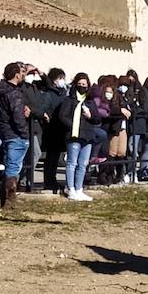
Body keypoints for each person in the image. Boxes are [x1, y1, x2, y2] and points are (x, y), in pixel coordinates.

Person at [0, 62, 30, 207]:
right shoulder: (14, 94)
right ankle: (9, 200)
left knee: (9, 164)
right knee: (13, 167)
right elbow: (17, 117)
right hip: (15, 133)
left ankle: (2, 197)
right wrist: (24, 134)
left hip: (4, 131)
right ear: (16, 75)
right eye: (22, 73)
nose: (23, 75)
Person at [57, 72, 98, 201]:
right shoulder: (69, 100)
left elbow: (97, 119)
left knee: (83, 164)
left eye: (84, 84)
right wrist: (74, 126)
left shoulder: (90, 102)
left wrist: (90, 116)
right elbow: (62, 116)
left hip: (88, 136)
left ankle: (79, 188)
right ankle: (71, 189)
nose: (82, 86)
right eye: (79, 84)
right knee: (72, 163)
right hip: (74, 136)